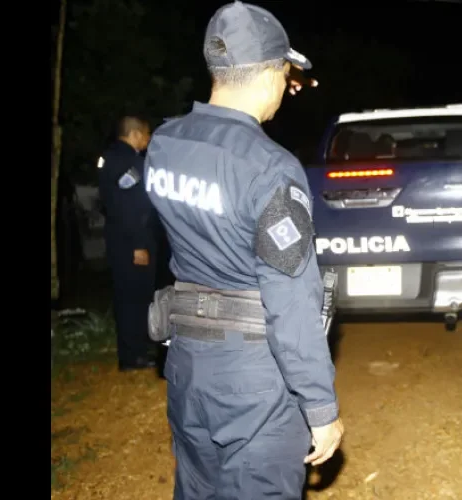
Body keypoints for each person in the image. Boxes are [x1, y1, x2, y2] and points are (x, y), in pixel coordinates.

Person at [143, 2, 343, 498]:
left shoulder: (165, 143)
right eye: (285, 75)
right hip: (253, 379)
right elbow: (291, 299)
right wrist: (320, 408)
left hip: (188, 361)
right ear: (273, 73)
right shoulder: (269, 167)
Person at [97, 116, 158, 371]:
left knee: (126, 297)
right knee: (136, 299)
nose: (148, 140)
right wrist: (139, 245)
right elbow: (131, 209)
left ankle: (132, 352)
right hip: (132, 242)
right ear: (134, 134)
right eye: (146, 135)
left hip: (117, 240)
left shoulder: (107, 158)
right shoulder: (131, 163)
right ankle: (135, 356)